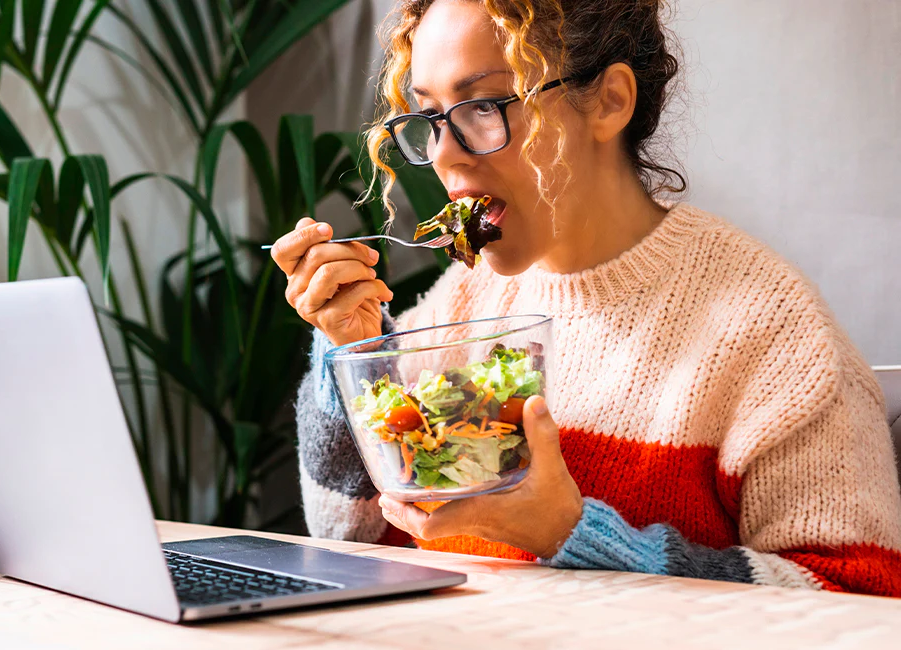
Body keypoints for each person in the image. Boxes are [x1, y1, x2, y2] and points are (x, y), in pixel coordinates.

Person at [270, 0, 901, 597]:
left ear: (609, 101)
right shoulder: (463, 299)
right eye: (431, 117)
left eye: (484, 107)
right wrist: (355, 350)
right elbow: (345, 540)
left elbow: (861, 597)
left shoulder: (770, 327)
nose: (442, 156)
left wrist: (570, 535)